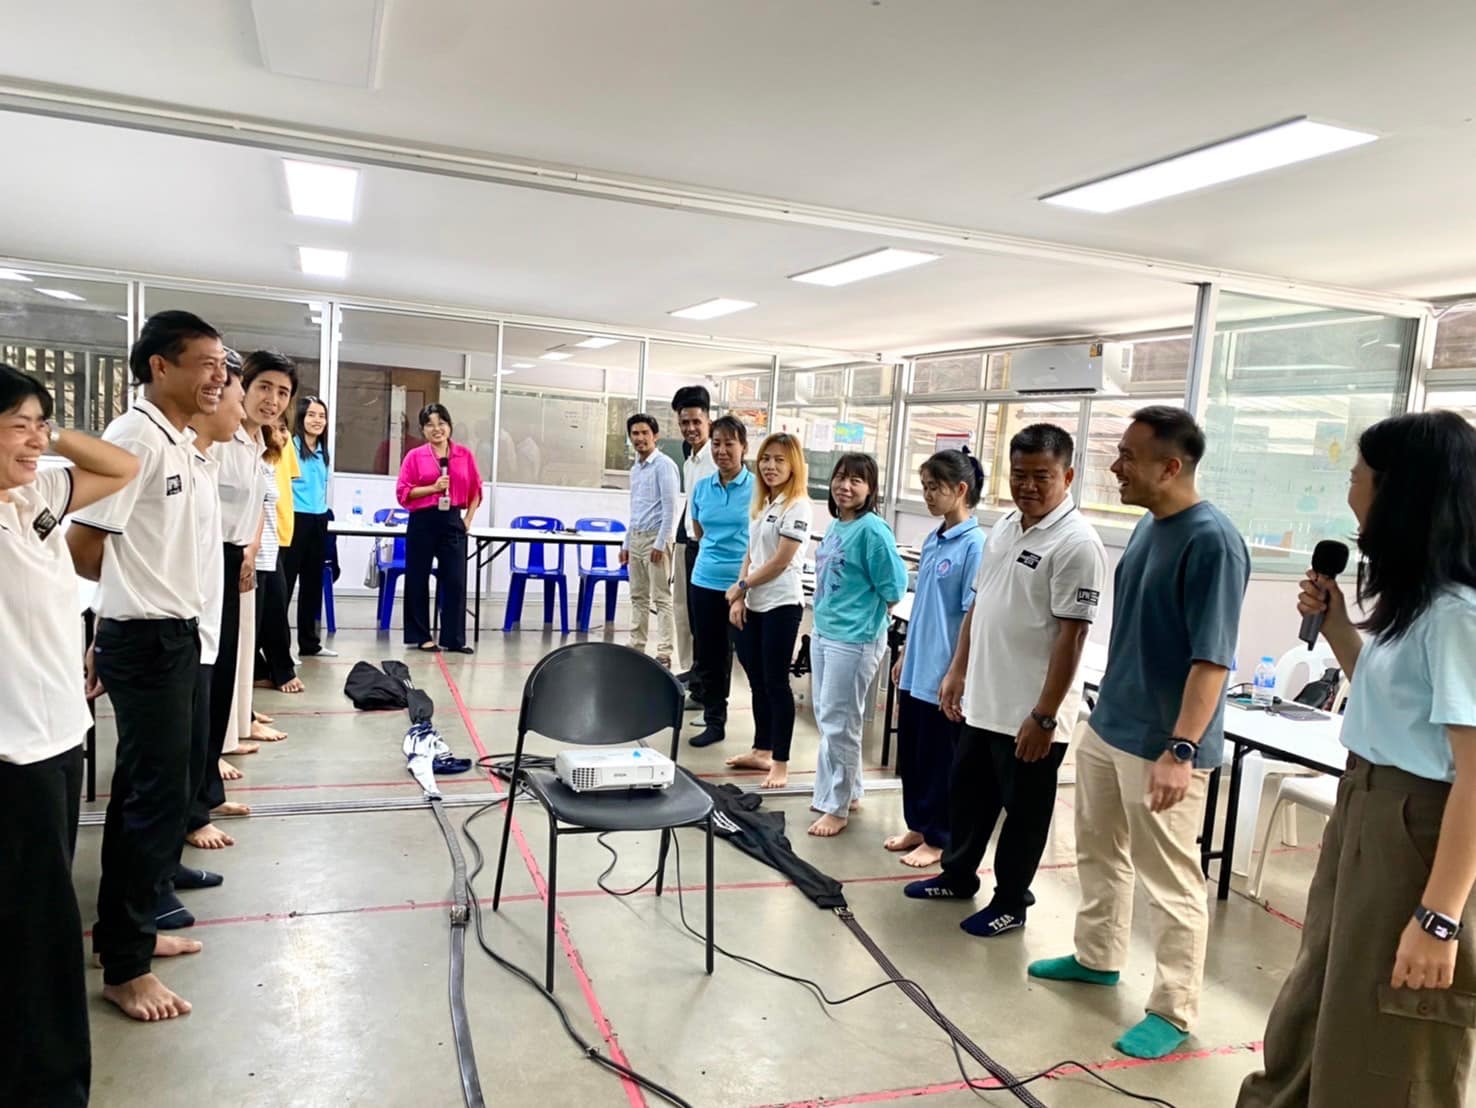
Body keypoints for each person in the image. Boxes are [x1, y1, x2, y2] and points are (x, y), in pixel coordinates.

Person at [1239, 411, 1476, 1108]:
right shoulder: (1419, 604)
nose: (1349, 492)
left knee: (1387, 1026)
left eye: (1357, 477)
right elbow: (1384, 698)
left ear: (1398, 493)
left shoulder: (1458, 616)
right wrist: (1338, 625)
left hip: (1417, 827)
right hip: (1366, 806)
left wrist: (1439, 918)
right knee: (1322, 995)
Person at [1027, 406, 1248, 1060]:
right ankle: (1097, 956)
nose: (1115, 465)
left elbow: (1212, 661)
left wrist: (1181, 750)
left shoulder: (1212, 541)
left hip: (1163, 743)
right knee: (1098, 851)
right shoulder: (1150, 526)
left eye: (1127, 455)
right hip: (1111, 725)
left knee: (1171, 880)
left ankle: (1175, 1008)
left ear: (1170, 466)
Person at [68, 309, 226, 1021]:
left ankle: (125, 934)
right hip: (149, 640)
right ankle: (126, 968)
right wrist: (119, 616)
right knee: (152, 801)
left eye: (221, 364)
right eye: (205, 363)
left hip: (172, 636)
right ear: (160, 366)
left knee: (153, 792)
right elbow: (84, 547)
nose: (217, 377)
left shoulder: (179, 441)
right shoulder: (134, 438)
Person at [0, 363, 139, 1108]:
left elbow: (120, 466)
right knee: (38, 933)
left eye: (40, 422)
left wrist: (48, 440)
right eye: (17, 424)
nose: (35, 439)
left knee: (38, 922)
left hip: (59, 736)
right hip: (10, 750)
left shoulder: (40, 497)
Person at [909, 426, 1107, 938]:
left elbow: (1073, 637)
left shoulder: (1077, 543)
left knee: (1024, 814)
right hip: (984, 701)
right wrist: (958, 670)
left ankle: (1010, 902)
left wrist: (1044, 716)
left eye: (1042, 476)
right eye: (1019, 475)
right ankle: (957, 876)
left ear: (1068, 476)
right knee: (968, 799)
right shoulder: (1004, 526)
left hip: (1031, 715)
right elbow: (981, 604)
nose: (1028, 486)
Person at [884, 448, 988, 869]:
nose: (927, 495)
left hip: (944, 673)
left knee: (941, 760)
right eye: (924, 487)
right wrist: (906, 653)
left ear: (960, 489)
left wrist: (955, 672)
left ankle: (939, 837)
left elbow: (970, 616)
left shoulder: (975, 546)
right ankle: (919, 824)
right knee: (913, 756)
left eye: (935, 488)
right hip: (917, 667)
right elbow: (923, 604)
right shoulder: (934, 539)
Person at [808, 453, 908, 837]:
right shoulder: (838, 524)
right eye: (840, 477)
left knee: (840, 722)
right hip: (825, 632)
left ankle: (836, 807)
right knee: (830, 717)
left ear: (871, 489)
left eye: (856, 480)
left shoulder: (872, 531)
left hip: (854, 639)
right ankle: (848, 791)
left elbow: (894, 588)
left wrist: (865, 614)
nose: (845, 486)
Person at [725, 432, 811, 788]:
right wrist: (740, 596)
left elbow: (779, 561)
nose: (770, 466)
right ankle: (761, 749)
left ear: (793, 465)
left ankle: (780, 761)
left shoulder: (797, 505)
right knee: (757, 681)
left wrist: (742, 586)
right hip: (755, 603)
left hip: (781, 604)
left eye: (779, 459)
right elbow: (751, 552)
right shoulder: (764, 502)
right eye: (765, 458)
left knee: (776, 683)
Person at [687, 415, 755, 748]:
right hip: (704, 580)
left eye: (730, 443)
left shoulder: (758, 488)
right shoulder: (702, 487)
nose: (722, 450)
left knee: (750, 657)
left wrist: (743, 584)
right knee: (710, 656)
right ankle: (715, 721)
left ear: (744, 447)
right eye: (716, 443)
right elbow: (700, 532)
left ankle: (766, 735)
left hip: (744, 584)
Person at [396, 403, 483, 653]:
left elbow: (476, 489)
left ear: (449, 426)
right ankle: (421, 636)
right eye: (430, 425)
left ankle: (453, 639)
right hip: (422, 520)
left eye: (441, 423)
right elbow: (403, 492)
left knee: (455, 580)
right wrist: (433, 488)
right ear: (422, 430)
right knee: (417, 578)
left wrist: (468, 520)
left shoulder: (464, 455)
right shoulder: (415, 456)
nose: (437, 429)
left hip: (452, 519)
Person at [620, 413, 680, 664]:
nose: (640, 438)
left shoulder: (664, 465)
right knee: (638, 597)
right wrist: (626, 543)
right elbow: (635, 509)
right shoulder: (636, 469)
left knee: (661, 598)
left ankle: (665, 651)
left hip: (656, 539)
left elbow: (670, 508)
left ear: (655, 436)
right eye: (635, 433)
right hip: (636, 538)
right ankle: (637, 644)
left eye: (645, 433)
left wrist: (660, 543)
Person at [282, 394, 336, 662]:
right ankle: (280, 649)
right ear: (301, 417)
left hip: (318, 520)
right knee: (285, 586)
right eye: (312, 415)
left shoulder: (323, 451)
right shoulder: (288, 446)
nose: (317, 420)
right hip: (295, 519)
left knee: (313, 586)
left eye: (322, 416)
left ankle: (310, 643)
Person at [672, 386, 716, 704]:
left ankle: (705, 691)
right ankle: (697, 677)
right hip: (690, 544)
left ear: (708, 420)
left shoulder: (716, 458)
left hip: (710, 548)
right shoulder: (690, 460)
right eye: (684, 422)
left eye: (696, 422)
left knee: (706, 625)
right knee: (690, 617)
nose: (690, 428)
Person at [255, 409, 302, 697]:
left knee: (274, 608)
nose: (283, 436)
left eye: (284, 429)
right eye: (274, 429)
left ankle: (275, 668)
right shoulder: (253, 462)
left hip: (274, 541)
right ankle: (267, 670)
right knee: (261, 615)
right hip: (255, 550)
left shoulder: (274, 461)